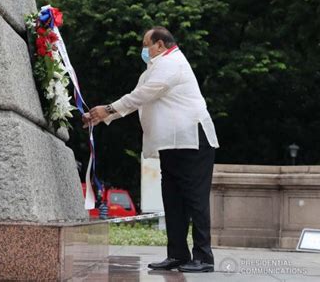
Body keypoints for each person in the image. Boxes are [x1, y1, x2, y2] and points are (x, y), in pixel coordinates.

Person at [83, 27, 219, 273]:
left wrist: (108, 109)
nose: (143, 50)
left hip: (193, 140)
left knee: (195, 200)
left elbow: (141, 96)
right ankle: (177, 254)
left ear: (160, 44)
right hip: (172, 144)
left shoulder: (173, 63)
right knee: (173, 200)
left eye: (146, 44)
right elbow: (135, 99)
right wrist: (100, 116)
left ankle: (204, 257)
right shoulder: (154, 68)